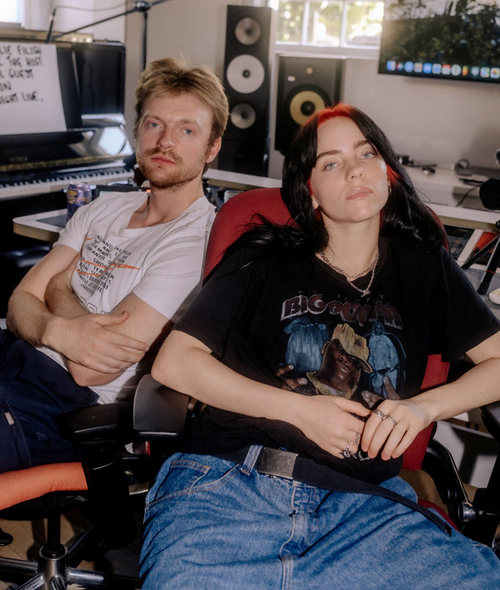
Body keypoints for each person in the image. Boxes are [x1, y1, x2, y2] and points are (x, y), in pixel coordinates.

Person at [140, 104, 500, 588]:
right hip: (232, 484)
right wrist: (300, 411)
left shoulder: (424, 265)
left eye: (366, 153)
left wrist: (423, 408)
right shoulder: (262, 256)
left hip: (365, 503)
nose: (354, 169)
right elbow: (175, 364)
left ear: (387, 172)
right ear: (310, 190)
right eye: (330, 162)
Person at [0, 56, 228, 473]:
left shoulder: (196, 242)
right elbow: (19, 301)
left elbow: (89, 369)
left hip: (67, 406)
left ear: (212, 147)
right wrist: (56, 328)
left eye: (187, 130)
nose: (165, 142)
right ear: (137, 130)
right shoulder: (103, 208)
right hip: (14, 357)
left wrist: (58, 291)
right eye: (154, 124)